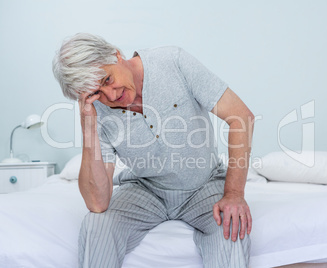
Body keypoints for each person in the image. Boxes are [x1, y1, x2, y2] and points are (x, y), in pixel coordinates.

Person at [53, 33, 254, 268]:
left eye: (107, 79)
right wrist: (88, 125)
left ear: (116, 54)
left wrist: (234, 194)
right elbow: (98, 203)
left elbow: (240, 117)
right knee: (96, 224)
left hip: (204, 184)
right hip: (146, 189)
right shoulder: (96, 110)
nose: (111, 96)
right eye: (97, 93)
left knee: (232, 229)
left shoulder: (172, 61)